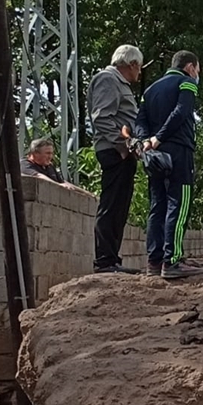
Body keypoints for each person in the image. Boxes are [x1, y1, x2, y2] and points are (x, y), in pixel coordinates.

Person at [135, 50, 203, 279]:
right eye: (198, 70)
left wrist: (146, 141)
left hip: (154, 154)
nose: (197, 74)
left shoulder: (150, 90)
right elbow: (182, 111)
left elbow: (140, 120)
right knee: (179, 202)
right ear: (190, 67)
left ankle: (154, 261)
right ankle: (172, 261)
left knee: (158, 205)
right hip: (178, 150)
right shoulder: (187, 83)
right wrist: (160, 137)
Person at [88, 44, 144, 274]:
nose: (139, 73)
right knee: (111, 205)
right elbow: (101, 117)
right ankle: (105, 261)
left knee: (120, 206)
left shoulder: (119, 83)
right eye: (139, 67)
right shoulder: (108, 79)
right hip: (115, 151)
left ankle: (112, 259)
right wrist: (123, 145)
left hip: (123, 152)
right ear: (132, 64)